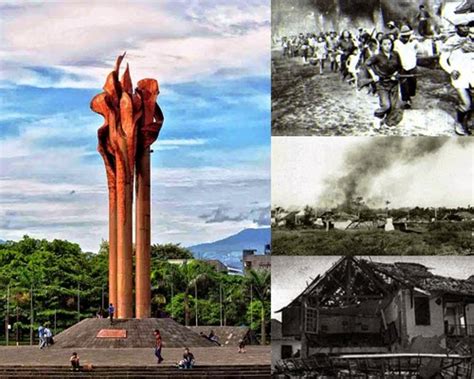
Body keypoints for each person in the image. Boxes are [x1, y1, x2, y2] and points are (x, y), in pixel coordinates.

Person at [439, 21, 474, 135]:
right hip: (459, 77)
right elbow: (442, 60)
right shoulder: (451, 42)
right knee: (466, 104)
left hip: (472, 75)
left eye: (467, 26)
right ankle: (459, 122)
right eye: (462, 26)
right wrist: (451, 70)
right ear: (457, 28)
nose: (465, 28)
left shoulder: (471, 40)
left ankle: (469, 123)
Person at [366, 36, 403, 127]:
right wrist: (374, 75)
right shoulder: (377, 56)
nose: (387, 46)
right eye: (385, 44)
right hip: (382, 83)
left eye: (389, 44)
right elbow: (367, 64)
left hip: (393, 83)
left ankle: (389, 122)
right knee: (386, 105)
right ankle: (377, 117)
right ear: (381, 45)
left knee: (395, 106)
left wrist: (396, 74)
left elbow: (400, 67)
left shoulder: (395, 54)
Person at [394, 25, 419, 108]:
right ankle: (406, 100)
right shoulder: (397, 43)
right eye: (404, 36)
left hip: (412, 65)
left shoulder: (414, 42)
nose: (406, 38)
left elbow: (419, 49)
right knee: (404, 84)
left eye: (407, 36)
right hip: (402, 66)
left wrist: (414, 40)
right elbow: (395, 54)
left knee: (412, 83)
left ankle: (410, 96)